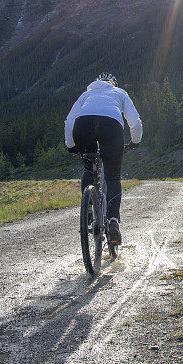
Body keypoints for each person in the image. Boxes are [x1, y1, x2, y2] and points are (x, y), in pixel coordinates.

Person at [64, 73, 143, 245]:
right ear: (113, 84)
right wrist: (134, 142)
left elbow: (69, 122)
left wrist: (70, 145)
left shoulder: (86, 95)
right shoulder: (119, 93)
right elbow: (135, 122)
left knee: (88, 168)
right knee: (112, 177)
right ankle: (113, 221)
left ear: (95, 84)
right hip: (111, 127)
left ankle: (89, 212)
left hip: (82, 125)